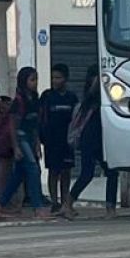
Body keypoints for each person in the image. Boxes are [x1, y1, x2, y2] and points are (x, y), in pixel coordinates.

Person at [0, 67, 48, 219]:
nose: (35, 83)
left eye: (36, 79)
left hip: (31, 137)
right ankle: (38, 207)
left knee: (19, 174)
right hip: (21, 137)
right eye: (32, 80)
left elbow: (35, 124)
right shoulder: (19, 101)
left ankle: (0, 204)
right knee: (33, 169)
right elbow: (13, 124)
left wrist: (37, 143)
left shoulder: (34, 98)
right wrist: (16, 146)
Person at [70, 67, 119, 218]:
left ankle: (110, 208)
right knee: (87, 174)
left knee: (112, 172)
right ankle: (68, 203)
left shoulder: (106, 94)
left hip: (102, 139)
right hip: (90, 139)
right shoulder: (92, 96)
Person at [40, 63, 79, 215]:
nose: (55, 81)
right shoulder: (47, 96)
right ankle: (54, 202)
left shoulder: (71, 97)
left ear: (66, 79)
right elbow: (41, 118)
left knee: (66, 171)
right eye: (53, 78)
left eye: (58, 78)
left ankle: (65, 201)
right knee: (53, 171)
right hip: (51, 140)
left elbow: (76, 119)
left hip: (67, 141)